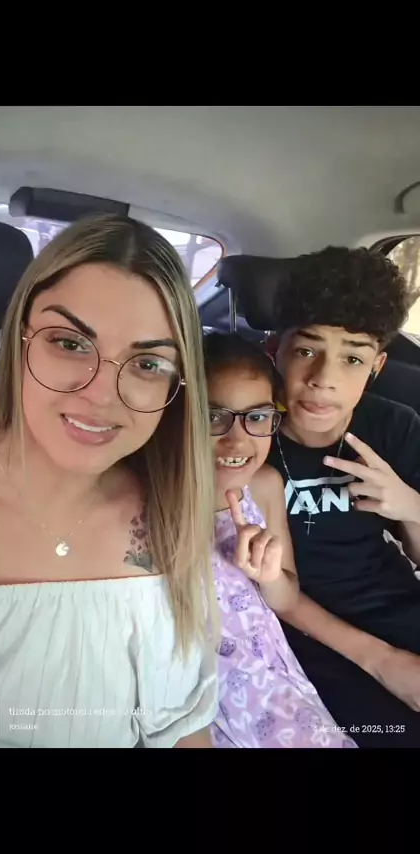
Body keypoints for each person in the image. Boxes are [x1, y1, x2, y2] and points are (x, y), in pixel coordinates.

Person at [0, 213, 218, 748]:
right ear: (18, 339)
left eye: (147, 363)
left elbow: (186, 726)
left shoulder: (170, 508)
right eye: (69, 343)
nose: (101, 395)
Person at [265, 245, 420, 747]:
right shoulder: (247, 434)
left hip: (397, 604)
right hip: (309, 632)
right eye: (306, 351)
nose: (324, 380)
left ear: (376, 366)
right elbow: (279, 595)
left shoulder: (394, 426)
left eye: (352, 358)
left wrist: (409, 506)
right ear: (274, 349)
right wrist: (384, 661)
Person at [204, 331, 356, 748]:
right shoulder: (148, 502)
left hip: (270, 683)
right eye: (213, 416)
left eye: (257, 417)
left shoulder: (264, 485)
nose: (237, 439)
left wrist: (269, 574)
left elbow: (287, 596)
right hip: (195, 697)